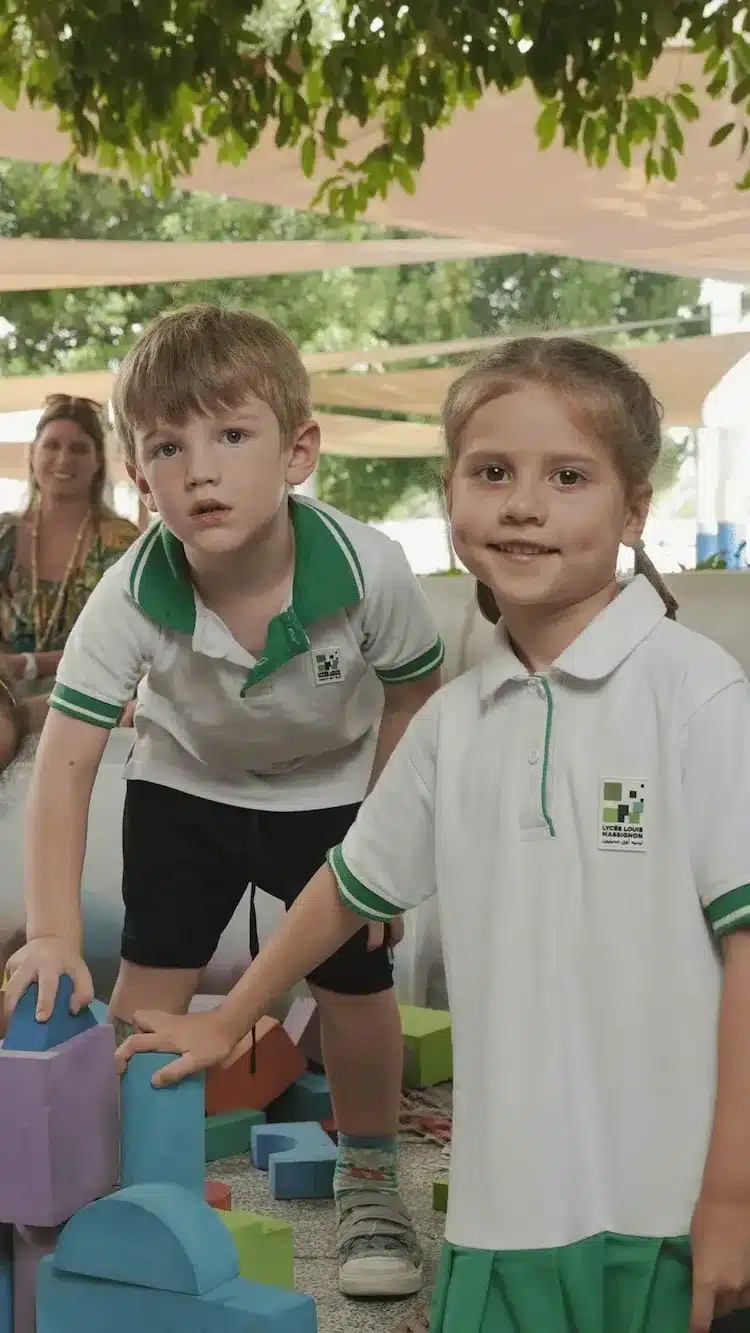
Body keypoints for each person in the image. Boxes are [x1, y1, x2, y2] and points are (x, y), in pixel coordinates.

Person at [113, 336, 750, 1333]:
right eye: (491, 472)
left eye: (568, 476)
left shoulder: (695, 692)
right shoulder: (453, 722)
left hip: (668, 1215)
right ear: (451, 493)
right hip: (500, 1222)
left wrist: (734, 1195)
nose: (524, 504)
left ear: (634, 509)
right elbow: (346, 886)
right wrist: (228, 1018)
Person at [4, 303, 444, 1300]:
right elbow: (65, 758)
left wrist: (381, 853)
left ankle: (370, 1174)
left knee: (356, 984)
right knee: (145, 998)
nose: (201, 469)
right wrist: (55, 931)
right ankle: (131, 1184)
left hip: (331, 793)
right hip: (184, 786)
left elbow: (415, 698)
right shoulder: (129, 592)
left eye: (232, 435)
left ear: (298, 452)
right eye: (169, 447)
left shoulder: (369, 567)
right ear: (140, 475)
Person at [0, 394, 138, 691]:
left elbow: (128, 647)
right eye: (52, 445)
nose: (64, 459)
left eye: (78, 449)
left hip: (92, 699)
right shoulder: (4, 535)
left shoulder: (121, 542)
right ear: (32, 452)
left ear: (98, 461)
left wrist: (28, 664)